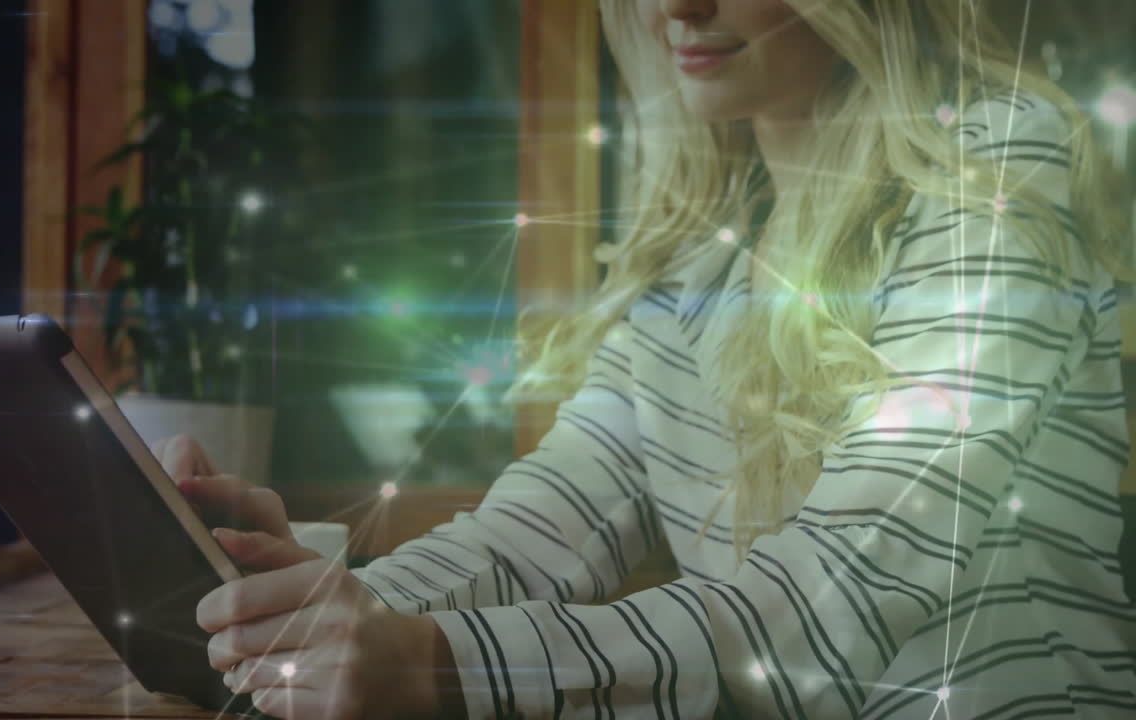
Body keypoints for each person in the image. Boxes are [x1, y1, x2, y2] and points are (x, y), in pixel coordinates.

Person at [156, 0, 1136, 717]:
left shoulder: (993, 177)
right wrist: (317, 605)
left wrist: (431, 663)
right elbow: (538, 531)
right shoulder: (703, 256)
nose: (677, 6)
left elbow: (838, 596)